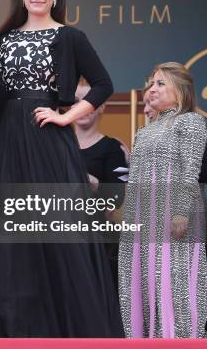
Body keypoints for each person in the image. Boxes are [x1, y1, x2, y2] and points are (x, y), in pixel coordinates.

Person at [0, 0, 123, 337]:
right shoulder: (3, 39)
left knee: (57, 227)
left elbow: (103, 84)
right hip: (8, 139)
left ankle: (70, 329)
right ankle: (16, 327)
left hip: (50, 139)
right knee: (11, 230)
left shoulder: (69, 37)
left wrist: (67, 117)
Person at [119, 62, 207, 338]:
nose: (151, 89)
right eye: (150, 84)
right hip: (141, 221)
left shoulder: (190, 122)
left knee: (172, 284)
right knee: (141, 284)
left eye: (160, 83)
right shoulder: (143, 132)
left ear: (180, 91)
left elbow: (191, 169)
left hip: (173, 218)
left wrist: (181, 211)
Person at [74, 81, 128, 286]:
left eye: (89, 101)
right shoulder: (59, 146)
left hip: (98, 241)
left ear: (102, 107)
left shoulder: (114, 147)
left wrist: (91, 181)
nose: (82, 107)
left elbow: (117, 197)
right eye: (76, 101)